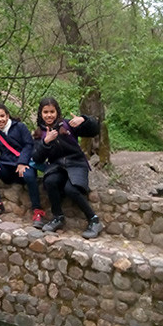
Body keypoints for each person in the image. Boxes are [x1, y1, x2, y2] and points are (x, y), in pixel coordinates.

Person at [31, 97, 104, 239]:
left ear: (57, 112)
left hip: (76, 163)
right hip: (57, 166)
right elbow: (37, 158)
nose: (49, 115)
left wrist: (84, 120)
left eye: (52, 111)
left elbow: (94, 130)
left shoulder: (68, 125)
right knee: (50, 181)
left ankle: (94, 220)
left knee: (71, 189)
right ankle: (58, 217)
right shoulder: (40, 133)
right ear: (41, 114)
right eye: (45, 112)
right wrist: (46, 142)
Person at [0, 103, 45, 227]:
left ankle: (37, 210)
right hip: (7, 167)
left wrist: (22, 162)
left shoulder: (20, 127)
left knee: (29, 176)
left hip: (24, 164)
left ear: (7, 115)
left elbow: (29, 145)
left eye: (2, 116)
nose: (0, 119)